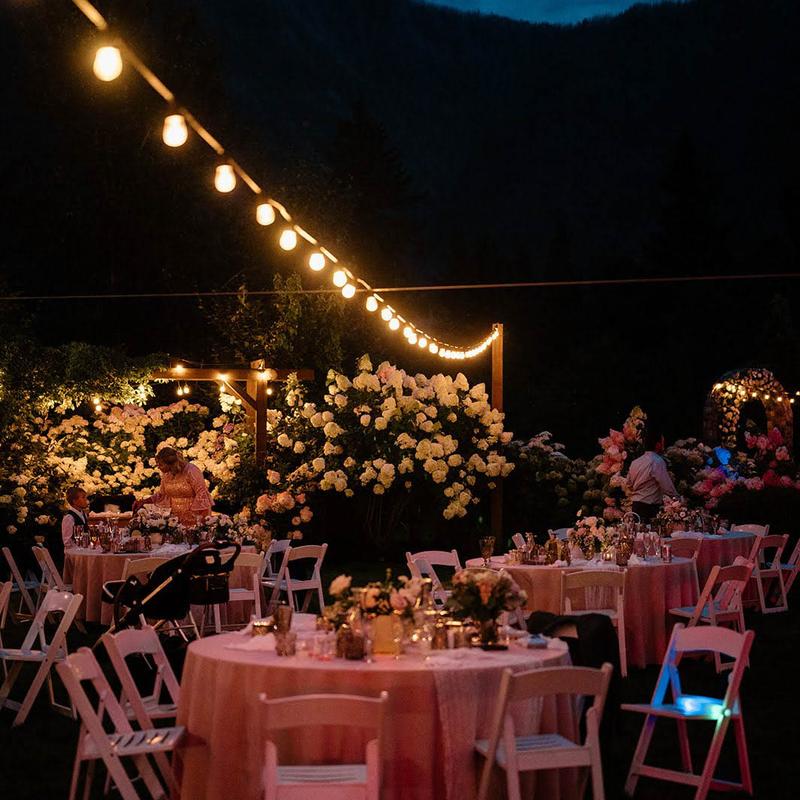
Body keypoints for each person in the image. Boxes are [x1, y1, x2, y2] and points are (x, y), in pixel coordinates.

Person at [133, 446, 212, 526]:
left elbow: (202, 495)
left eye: (161, 465)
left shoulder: (192, 471)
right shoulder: (167, 474)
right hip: (174, 520)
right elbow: (161, 494)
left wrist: (200, 521)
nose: (158, 467)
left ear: (170, 464)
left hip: (194, 518)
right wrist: (144, 502)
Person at [627, 428, 677, 523]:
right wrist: (677, 498)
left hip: (636, 505)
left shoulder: (635, 462)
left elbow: (629, 483)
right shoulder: (657, 461)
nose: (663, 446)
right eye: (662, 443)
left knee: (638, 531)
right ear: (657, 444)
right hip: (650, 508)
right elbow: (666, 485)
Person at [57, 485, 91, 569]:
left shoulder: (83, 514)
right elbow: (67, 542)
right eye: (83, 498)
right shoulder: (69, 517)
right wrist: (80, 549)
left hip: (83, 552)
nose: (86, 500)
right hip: (74, 557)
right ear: (74, 501)